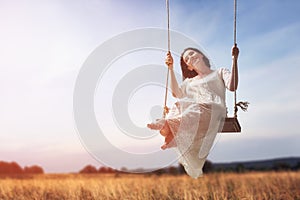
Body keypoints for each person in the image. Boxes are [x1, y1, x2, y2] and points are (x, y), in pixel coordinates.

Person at [147, 45, 239, 178]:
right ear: (189, 67)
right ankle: (170, 131)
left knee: (193, 107)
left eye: (192, 53)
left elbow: (232, 86)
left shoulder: (219, 72)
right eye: (187, 59)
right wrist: (171, 69)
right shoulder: (190, 82)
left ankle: (169, 127)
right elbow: (176, 93)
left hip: (215, 110)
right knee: (180, 104)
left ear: (201, 55)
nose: (190, 57)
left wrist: (234, 59)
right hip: (197, 112)